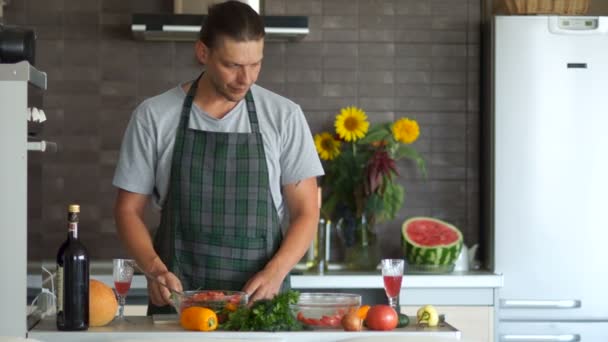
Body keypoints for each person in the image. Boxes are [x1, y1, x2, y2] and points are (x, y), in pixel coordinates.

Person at [112, 0, 323, 314]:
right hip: (179, 308)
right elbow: (127, 211)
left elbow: (306, 211)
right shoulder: (154, 116)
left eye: (256, 64)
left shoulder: (284, 116)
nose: (246, 78)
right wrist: (155, 270)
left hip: (260, 309)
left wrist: (276, 271)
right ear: (203, 53)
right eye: (232, 65)